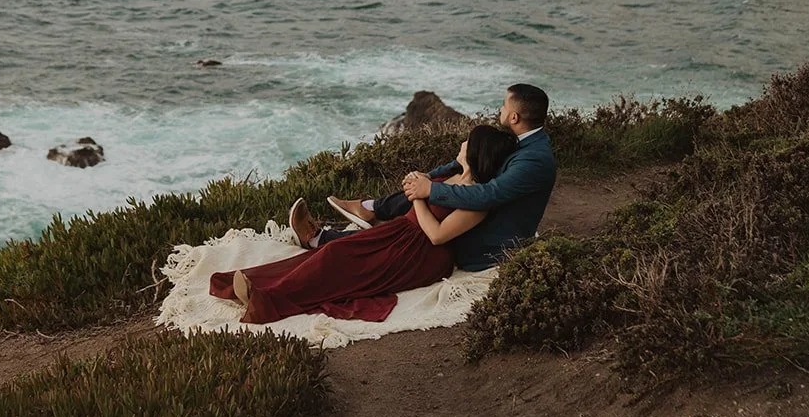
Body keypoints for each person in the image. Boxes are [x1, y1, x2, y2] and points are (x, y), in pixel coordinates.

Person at [208, 125, 518, 324]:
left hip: (420, 255)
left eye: (469, 141)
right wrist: (419, 185)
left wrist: (419, 197)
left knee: (337, 261)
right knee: (336, 250)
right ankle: (254, 283)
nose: (462, 142)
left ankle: (267, 300)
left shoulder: (478, 201)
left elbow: (437, 236)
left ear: (476, 153)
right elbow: (424, 196)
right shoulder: (453, 175)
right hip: (401, 234)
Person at [303, 82, 556, 273]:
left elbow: (488, 194)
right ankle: (370, 209)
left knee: (407, 235)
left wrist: (428, 191)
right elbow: (470, 163)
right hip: (479, 220)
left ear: (514, 117)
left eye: (504, 105)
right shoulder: (521, 140)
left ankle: (326, 237)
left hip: (484, 243)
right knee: (419, 210)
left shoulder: (534, 159)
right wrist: (429, 178)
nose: (500, 108)